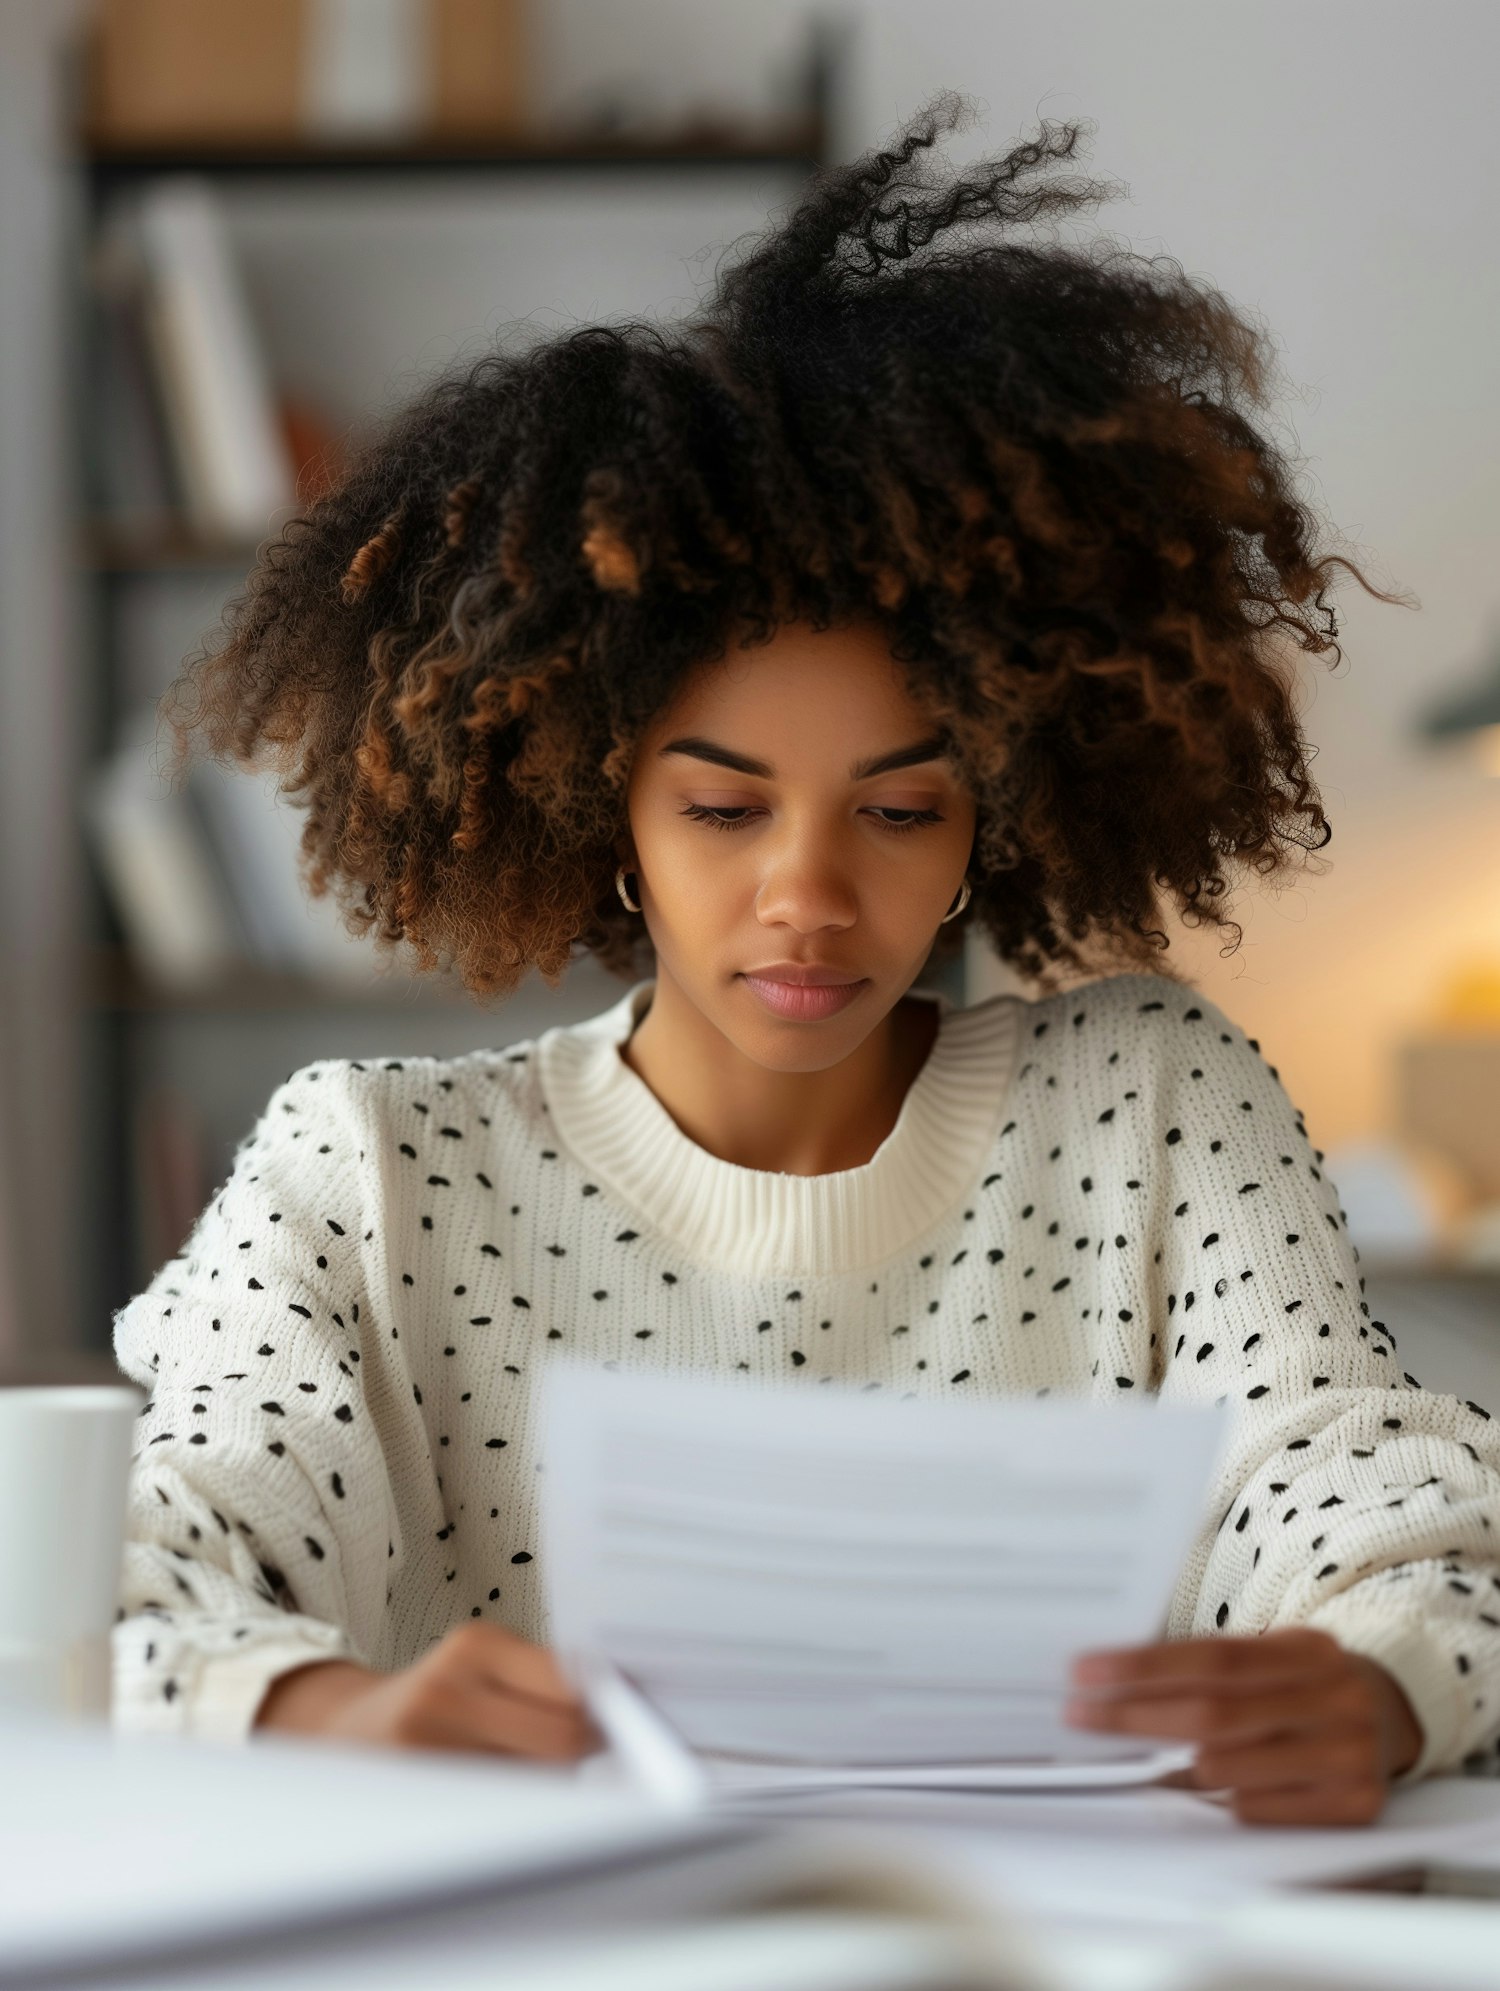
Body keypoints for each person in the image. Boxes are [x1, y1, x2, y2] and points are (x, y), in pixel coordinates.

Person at [111, 96, 1500, 1826]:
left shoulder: (1151, 1106)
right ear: (593, 798)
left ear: (997, 809)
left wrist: (1377, 1685)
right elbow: (153, 1567)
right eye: (722, 809)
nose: (809, 897)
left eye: (901, 813)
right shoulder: (375, 1175)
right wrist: (322, 1714)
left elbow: (1367, 1493)